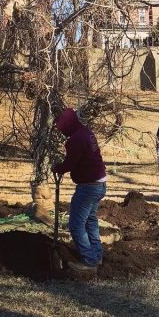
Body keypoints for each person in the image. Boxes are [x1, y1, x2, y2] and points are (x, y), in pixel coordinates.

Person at [53, 108, 107, 273]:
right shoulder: (86, 132)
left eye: (61, 128)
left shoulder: (75, 140)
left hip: (89, 187)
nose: (62, 132)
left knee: (76, 225)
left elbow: (70, 164)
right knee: (90, 221)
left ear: (68, 125)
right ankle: (97, 256)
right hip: (100, 183)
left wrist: (58, 167)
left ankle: (89, 262)